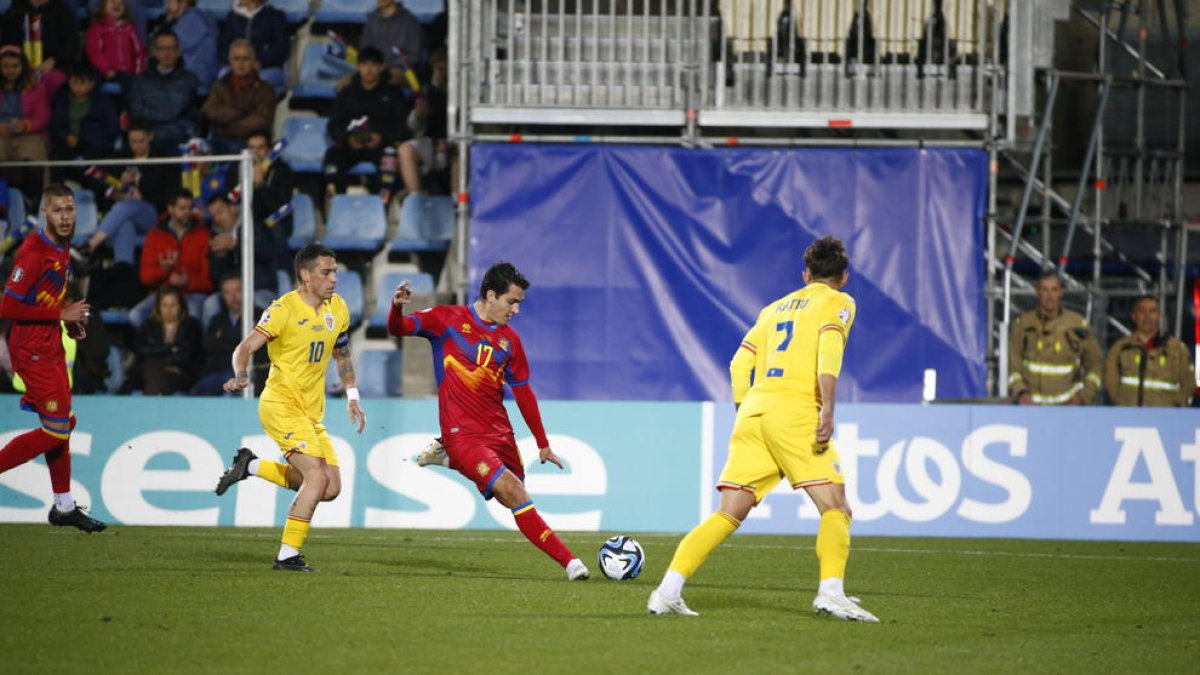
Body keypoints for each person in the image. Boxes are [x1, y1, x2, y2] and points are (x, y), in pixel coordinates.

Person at [647, 236, 877, 621]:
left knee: (729, 512)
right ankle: (830, 592)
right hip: (796, 411)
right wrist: (828, 410)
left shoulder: (772, 310)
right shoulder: (839, 302)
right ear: (845, 277)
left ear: (805, 275)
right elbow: (829, 354)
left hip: (754, 412)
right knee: (836, 506)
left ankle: (667, 591)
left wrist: (745, 410)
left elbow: (739, 365)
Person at [389, 262, 590, 581]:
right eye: (512, 301)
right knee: (514, 493)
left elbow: (524, 394)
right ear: (491, 295)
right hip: (461, 432)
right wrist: (396, 309)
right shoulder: (447, 320)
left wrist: (542, 443)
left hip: (498, 431)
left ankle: (447, 458)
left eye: (520, 303)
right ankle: (571, 563)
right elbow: (399, 329)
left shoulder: (511, 342)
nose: (516, 310)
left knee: (512, 491)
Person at [214, 243, 366, 572]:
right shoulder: (283, 309)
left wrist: (352, 396)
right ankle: (287, 555)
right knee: (315, 478)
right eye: (326, 272)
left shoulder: (337, 308)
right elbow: (245, 346)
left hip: (311, 412)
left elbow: (342, 354)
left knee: (332, 488)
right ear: (305, 275)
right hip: (281, 404)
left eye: (335, 272)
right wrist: (240, 374)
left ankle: (250, 467)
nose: (334, 279)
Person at [0, 183, 106, 532]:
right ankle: (63, 505)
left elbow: (47, 297)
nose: (65, 216)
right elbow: (8, 305)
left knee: (63, 425)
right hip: (31, 349)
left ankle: (64, 505)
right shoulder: (32, 252)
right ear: (44, 212)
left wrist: (69, 323)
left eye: (70, 209)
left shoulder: (61, 247)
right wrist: (61, 315)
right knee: (58, 429)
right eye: (58, 210)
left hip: (51, 345)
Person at [323, 46, 412, 198]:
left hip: (382, 146)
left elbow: (403, 127)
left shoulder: (393, 93)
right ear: (358, 67)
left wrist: (382, 137)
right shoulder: (347, 92)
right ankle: (337, 204)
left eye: (373, 65)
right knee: (332, 157)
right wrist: (348, 138)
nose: (369, 69)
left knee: (389, 161)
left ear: (381, 67)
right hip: (351, 145)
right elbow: (334, 125)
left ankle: (381, 209)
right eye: (364, 64)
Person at [1008, 271, 1102, 405]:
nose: (1050, 296)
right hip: (1030, 407)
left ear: (1061, 293)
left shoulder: (1077, 325)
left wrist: (1084, 396)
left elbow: (1095, 365)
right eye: (1044, 290)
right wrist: (1021, 392)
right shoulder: (1023, 324)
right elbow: (1012, 365)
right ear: (1037, 293)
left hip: (1069, 408)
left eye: (1054, 290)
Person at [1104, 295, 1195, 407]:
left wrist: (1175, 406)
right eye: (1141, 311)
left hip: (1166, 418)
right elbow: (1110, 381)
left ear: (1159, 316)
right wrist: (1122, 404)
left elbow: (1189, 384)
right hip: (1129, 416)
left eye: (1152, 311)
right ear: (1134, 316)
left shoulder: (1177, 349)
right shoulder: (1120, 348)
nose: (1147, 316)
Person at [127, 30, 198, 154]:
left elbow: (174, 110)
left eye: (171, 48)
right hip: (147, 137)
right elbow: (136, 110)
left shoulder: (188, 79)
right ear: (154, 52)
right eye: (162, 48)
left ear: (178, 52)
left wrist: (154, 115)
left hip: (177, 136)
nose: (166, 53)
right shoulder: (141, 79)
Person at [124, 285, 203, 394]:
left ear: (181, 306)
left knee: (152, 368)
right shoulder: (149, 325)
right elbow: (141, 349)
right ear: (158, 307)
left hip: (180, 373)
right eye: (164, 305)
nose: (169, 310)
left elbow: (188, 354)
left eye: (173, 305)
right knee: (151, 368)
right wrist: (171, 348)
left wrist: (161, 357)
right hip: (149, 372)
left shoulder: (191, 325)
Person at [201, 40, 275, 156]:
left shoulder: (266, 89)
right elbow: (211, 111)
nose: (241, 64)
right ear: (230, 61)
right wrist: (241, 112)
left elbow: (261, 120)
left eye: (245, 59)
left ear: (253, 61)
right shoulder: (219, 86)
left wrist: (225, 126)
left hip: (249, 142)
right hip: (219, 142)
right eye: (236, 59)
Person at [138, 189, 213, 300]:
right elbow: (146, 278)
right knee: (136, 316)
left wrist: (188, 281)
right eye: (182, 208)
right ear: (171, 209)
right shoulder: (155, 236)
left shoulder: (204, 234)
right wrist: (165, 270)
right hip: (164, 294)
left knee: (190, 312)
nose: (187, 212)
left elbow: (209, 280)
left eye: (190, 208)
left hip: (194, 293)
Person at [49, 64, 119, 182]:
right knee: (56, 157)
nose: (78, 88)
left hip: (95, 143)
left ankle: (98, 196)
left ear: (91, 84)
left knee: (96, 164)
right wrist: (66, 136)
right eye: (75, 83)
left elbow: (112, 128)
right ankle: (58, 194)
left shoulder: (102, 101)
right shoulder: (61, 100)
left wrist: (91, 136)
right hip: (68, 142)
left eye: (83, 83)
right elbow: (55, 124)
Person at [0, 46, 50, 200]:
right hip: (1, 133)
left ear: (23, 66)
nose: (11, 71)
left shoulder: (36, 87)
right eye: (6, 67)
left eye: (15, 66)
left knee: (34, 155)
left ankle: (34, 203)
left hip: (29, 133)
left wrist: (24, 125)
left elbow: (43, 117)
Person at [219, 0, 288, 89]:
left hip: (266, 68)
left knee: (259, 79)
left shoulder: (275, 17)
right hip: (236, 66)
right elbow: (223, 47)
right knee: (224, 74)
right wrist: (235, 62)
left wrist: (260, 62)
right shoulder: (232, 17)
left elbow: (281, 48)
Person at [83, 0, 144, 92]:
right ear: (104, 5)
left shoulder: (130, 28)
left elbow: (139, 52)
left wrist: (138, 72)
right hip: (103, 70)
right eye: (112, 2)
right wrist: (106, 68)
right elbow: (94, 52)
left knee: (132, 84)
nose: (116, 5)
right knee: (94, 79)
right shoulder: (97, 27)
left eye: (120, 3)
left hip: (126, 71)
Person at [163, 0, 217, 88]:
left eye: (170, 2)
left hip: (197, 75)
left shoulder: (192, 18)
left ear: (183, 3)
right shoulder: (196, 15)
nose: (167, 7)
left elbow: (173, 49)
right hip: (195, 75)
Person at [360, 0, 424, 73]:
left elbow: (413, 57)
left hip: (400, 70)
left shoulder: (410, 22)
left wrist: (387, 65)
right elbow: (364, 51)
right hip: (373, 70)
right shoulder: (371, 22)